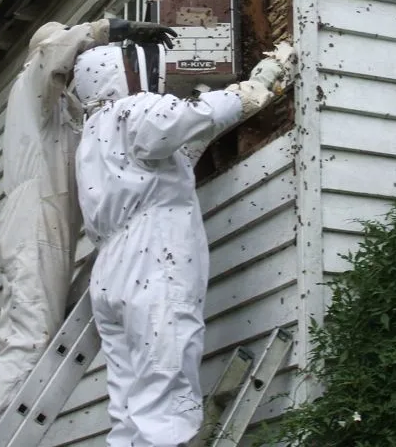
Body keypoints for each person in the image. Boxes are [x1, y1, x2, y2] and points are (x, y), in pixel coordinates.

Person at [0, 19, 178, 447]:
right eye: (75, 55)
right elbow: (54, 53)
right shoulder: (32, 83)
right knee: (31, 336)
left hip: (46, 224)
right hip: (35, 221)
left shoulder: (63, 109)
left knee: (35, 329)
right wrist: (113, 29)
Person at [71, 33, 296, 447]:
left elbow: (175, 153)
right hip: (150, 258)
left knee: (128, 401)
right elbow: (193, 117)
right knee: (165, 386)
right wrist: (257, 84)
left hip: (111, 271)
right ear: (118, 74)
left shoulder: (92, 136)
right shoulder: (132, 110)